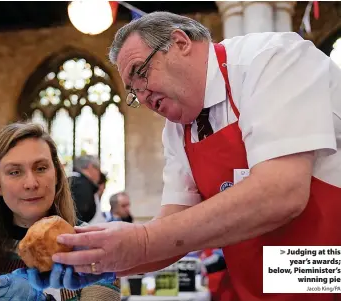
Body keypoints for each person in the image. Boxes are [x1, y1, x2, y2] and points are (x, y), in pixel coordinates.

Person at [50, 11, 341, 301]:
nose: (143, 96)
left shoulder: (271, 59)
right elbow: (172, 230)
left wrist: (142, 241)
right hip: (267, 281)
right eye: (133, 92)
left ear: (180, 42)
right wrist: (94, 263)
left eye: (141, 72)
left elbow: (282, 193)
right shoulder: (178, 130)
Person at [0, 123, 120, 301]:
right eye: (15, 172)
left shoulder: (92, 247)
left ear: (56, 174)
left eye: (40, 168)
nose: (31, 183)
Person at [69, 155, 101, 223]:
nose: (99, 174)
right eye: (98, 169)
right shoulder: (81, 185)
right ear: (90, 166)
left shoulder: (72, 180)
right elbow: (79, 215)